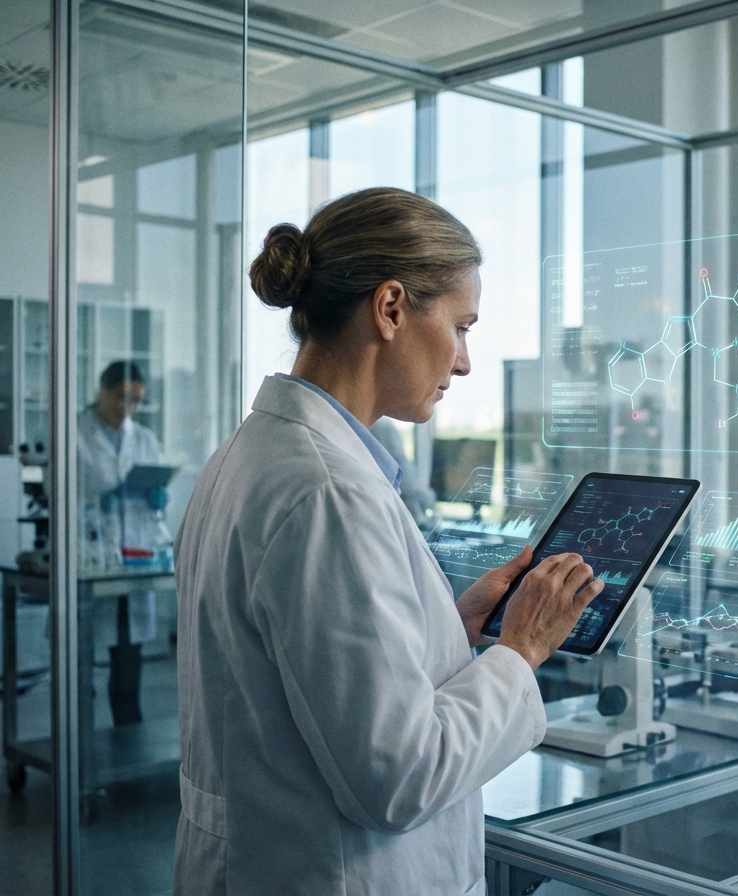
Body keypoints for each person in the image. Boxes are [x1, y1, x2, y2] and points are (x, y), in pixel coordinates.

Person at [172, 187, 604, 895]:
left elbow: (298, 675)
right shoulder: (328, 492)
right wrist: (521, 651)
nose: (463, 362)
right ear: (392, 308)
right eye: (461, 326)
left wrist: (453, 630)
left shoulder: (257, 455)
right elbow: (398, 777)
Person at [78, 360, 166, 724]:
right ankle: (77, 736)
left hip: (133, 556)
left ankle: (128, 725)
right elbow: (57, 491)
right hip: (89, 555)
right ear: (102, 388)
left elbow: (158, 485)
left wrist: (157, 495)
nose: (127, 407)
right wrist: (97, 500)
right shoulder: (74, 434)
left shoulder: (144, 438)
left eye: (136, 400)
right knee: (79, 656)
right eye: (121, 397)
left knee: (128, 652)